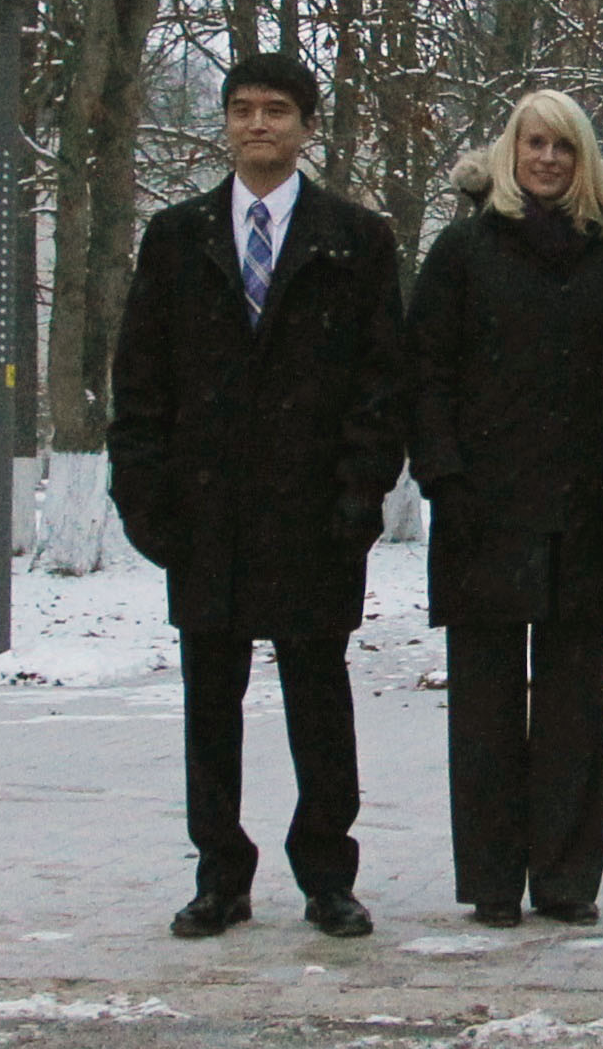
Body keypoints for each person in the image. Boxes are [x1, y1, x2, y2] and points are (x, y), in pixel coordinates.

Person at [110, 51, 406, 942]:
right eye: (241, 109)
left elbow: (380, 383)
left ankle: (326, 873)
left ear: (307, 126)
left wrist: (359, 497)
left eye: (276, 109)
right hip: (206, 515)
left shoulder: (355, 240)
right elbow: (140, 381)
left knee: (319, 699)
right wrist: (146, 500)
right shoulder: (177, 237)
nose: (256, 125)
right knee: (211, 701)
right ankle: (219, 874)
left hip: (313, 514)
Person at [408, 89, 603, 927]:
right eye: (533, 143)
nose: (546, 159)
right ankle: (493, 877)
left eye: (563, 147)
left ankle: (567, 876)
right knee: (485, 705)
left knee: (576, 704)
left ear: (584, 162)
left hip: (584, 511)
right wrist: (445, 476)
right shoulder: (463, 251)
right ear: (510, 152)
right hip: (482, 508)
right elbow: (426, 371)